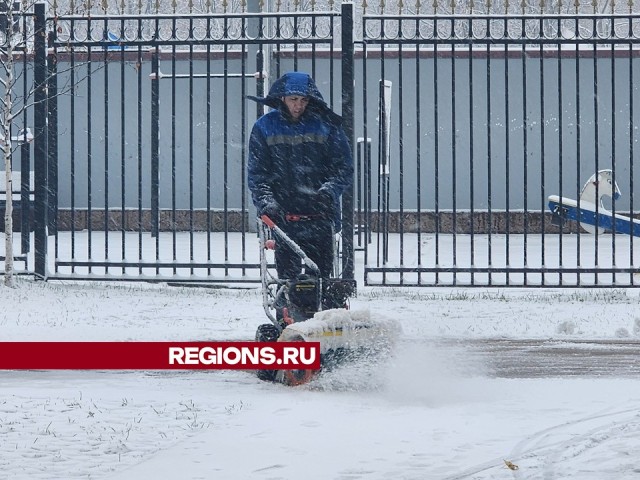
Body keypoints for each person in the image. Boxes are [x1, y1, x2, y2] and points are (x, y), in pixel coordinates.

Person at [247, 71, 353, 282]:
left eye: (303, 100)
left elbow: (343, 167)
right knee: (287, 276)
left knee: (321, 274)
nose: (298, 105)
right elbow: (257, 172)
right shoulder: (264, 127)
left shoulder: (326, 126)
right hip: (283, 215)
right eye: (293, 99)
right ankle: (286, 311)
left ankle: (321, 309)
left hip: (319, 214)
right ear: (282, 98)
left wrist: (328, 192)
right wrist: (267, 202)